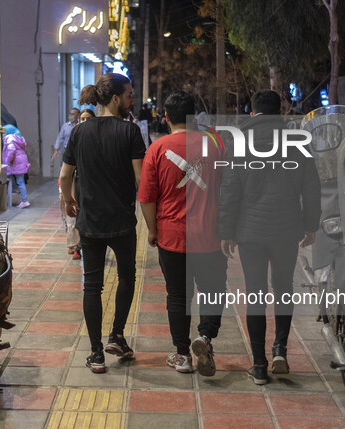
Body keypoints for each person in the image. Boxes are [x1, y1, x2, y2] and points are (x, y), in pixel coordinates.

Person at [218, 90, 321, 385]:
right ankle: (280, 351)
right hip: (287, 230)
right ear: (281, 113)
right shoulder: (296, 142)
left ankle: (260, 365)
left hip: (250, 233)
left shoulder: (240, 144)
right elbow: (311, 188)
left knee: (255, 294)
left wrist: (226, 231)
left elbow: (230, 192)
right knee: (284, 288)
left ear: (252, 114)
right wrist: (310, 225)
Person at [59, 73, 146, 374]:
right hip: (122, 221)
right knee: (126, 276)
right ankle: (117, 336)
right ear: (115, 99)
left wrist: (68, 200)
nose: (132, 100)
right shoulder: (130, 132)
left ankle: (96, 353)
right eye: (129, 95)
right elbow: (141, 180)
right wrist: (152, 220)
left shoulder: (79, 132)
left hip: (90, 222)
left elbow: (64, 176)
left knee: (92, 286)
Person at [138, 92, 227, 375]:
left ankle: (182, 356)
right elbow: (226, 190)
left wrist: (152, 231)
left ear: (165, 118)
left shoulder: (157, 148)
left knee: (178, 295)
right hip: (210, 236)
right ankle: (205, 337)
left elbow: (146, 197)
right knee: (213, 292)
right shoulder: (215, 146)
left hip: (172, 236)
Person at [3, 125, 31, 209]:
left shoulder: (10, 138)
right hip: (21, 160)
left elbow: (11, 150)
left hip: (15, 161)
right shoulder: (19, 138)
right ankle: (24, 200)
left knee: (10, 179)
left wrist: (7, 161)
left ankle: (23, 200)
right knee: (20, 181)